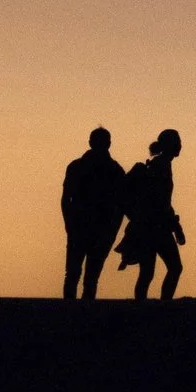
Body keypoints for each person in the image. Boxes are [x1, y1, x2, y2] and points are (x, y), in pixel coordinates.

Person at [116, 129, 186, 299]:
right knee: (168, 269)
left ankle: (149, 306)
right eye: (177, 142)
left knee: (149, 272)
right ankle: (161, 305)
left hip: (152, 227)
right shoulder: (159, 167)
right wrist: (176, 227)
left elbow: (163, 202)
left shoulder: (160, 165)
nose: (180, 146)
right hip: (154, 228)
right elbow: (159, 201)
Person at [60, 127, 126, 301]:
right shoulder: (114, 170)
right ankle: (82, 312)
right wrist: (112, 230)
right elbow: (121, 206)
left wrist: (69, 224)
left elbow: (66, 200)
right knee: (87, 277)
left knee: (75, 275)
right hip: (93, 229)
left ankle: (70, 312)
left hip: (86, 228)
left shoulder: (77, 166)